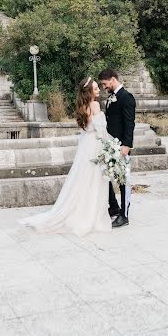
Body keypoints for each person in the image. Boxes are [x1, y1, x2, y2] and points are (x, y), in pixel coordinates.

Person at [20, 77, 112, 237]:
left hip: (86, 146)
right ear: (89, 91)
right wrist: (110, 147)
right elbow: (101, 131)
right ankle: (92, 215)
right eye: (96, 88)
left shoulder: (82, 107)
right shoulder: (95, 105)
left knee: (83, 179)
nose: (98, 91)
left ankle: (79, 211)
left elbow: (85, 130)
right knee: (95, 180)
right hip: (95, 145)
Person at [99, 68, 136, 228]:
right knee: (105, 176)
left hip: (121, 147)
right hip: (110, 147)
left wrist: (126, 146)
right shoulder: (111, 97)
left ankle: (124, 216)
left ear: (113, 79)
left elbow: (129, 124)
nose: (103, 87)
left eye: (105, 84)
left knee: (123, 181)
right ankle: (114, 208)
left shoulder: (126, 97)